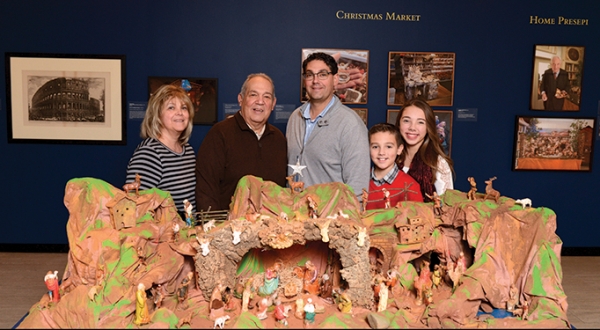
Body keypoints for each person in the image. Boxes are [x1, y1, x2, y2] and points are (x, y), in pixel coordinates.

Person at [195, 73, 287, 211]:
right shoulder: (220, 133)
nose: (260, 101)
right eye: (253, 94)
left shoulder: (278, 139)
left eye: (266, 96)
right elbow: (206, 188)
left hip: (270, 228)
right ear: (241, 99)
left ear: (273, 104)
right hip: (230, 228)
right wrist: (213, 226)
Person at [287, 52, 370, 200]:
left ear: (335, 79)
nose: (315, 81)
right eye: (310, 75)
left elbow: (357, 187)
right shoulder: (295, 118)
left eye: (323, 74)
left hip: (329, 219)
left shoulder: (350, 124)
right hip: (293, 215)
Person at [125, 84, 196, 215]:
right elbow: (135, 208)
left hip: (187, 231)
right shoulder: (149, 153)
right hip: (162, 233)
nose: (179, 112)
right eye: (171, 107)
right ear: (157, 115)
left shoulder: (188, 150)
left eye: (184, 108)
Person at [394, 98, 454, 202]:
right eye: (406, 121)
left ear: (428, 127)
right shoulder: (389, 157)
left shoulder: (438, 163)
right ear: (399, 124)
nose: (412, 127)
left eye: (420, 122)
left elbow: (447, 209)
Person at [366, 123, 423, 210]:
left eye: (388, 147)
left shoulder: (411, 186)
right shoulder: (360, 180)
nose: (381, 152)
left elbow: (418, 218)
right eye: (375, 147)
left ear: (399, 149)